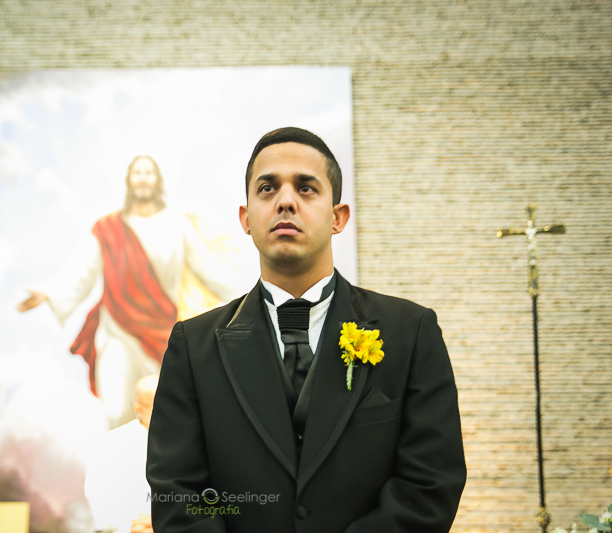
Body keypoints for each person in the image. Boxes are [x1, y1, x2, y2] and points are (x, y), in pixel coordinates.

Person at [146, 127, 466, 532]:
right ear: (246, 219)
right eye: (267, 189)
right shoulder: (193, 347)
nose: (285, 201)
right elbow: (178, 496)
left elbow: (430, 485)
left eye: (306, 188)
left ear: (338, 217)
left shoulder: (411, 332)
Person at [17, 156, 245, 429]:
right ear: (128, 180)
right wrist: (47, 293)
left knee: (166, 419)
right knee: (117, 411)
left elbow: (210, 268)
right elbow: (81, 272)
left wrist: (252, 296)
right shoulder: (106, 229)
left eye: (149, 172)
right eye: (137, 172)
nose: (143, 177)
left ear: (157, 179)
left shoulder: (176, 224)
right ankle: (118, 469)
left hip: (164, 337)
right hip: (118, 335)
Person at [85, 375, 158, 533]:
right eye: (158, 406)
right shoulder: (110, 445)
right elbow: (97, 501)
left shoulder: (192, 441)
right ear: (139, 409)